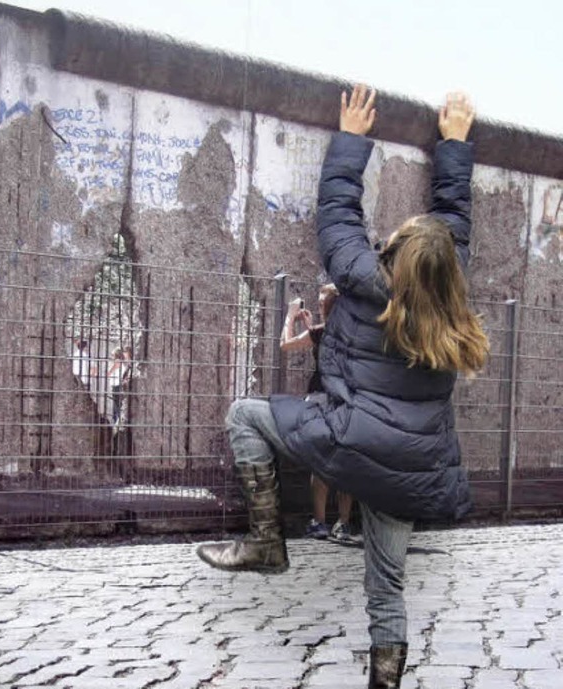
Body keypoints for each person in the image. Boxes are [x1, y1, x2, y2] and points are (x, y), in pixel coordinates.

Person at [197, 85, 489, 688]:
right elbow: (453, 225)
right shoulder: (449, 298)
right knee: (387, 589)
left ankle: (266, 540)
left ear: (393, 257)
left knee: (244, 416)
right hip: (411, 472)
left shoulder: (360, 277)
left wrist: (352, 138)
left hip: (348, 442)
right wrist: (454, 147)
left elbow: (337, 213)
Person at [280, 286, 356, 545]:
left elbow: (286, 345)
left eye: (322, 302)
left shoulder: (320, 333)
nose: (319, 303)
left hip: (321, 400)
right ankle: (344, 524)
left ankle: (319, 522)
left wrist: (290, 316)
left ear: (327, 307)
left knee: (321, 462)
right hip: (346, 402)